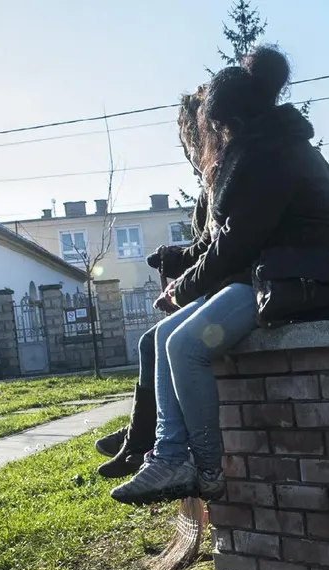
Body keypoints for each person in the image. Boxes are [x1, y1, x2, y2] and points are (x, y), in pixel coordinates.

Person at [112, 45, 329, 505]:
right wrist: (184, 279)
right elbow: (228, 241)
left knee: (184, 345)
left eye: (217, 127)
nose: (217, 137)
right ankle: (167, 455)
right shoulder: (266, 149)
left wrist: (184, 289)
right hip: (270, 275)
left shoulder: (272, 158)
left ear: (233, 122)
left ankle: (204, 468)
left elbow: (234, 243)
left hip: (301, 280)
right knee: (161, 341)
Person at [95, 86, 211, 479]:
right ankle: (138, 435)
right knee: (154, 341)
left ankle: (146, 442)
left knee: (158, 341)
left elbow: (222, 247)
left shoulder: (225, 176)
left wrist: (180, 279)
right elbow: (209, 245)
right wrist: (177, 257)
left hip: (235, 290)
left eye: (191, 138)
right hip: (219, 285)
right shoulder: (212, 182)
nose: (190, 149)